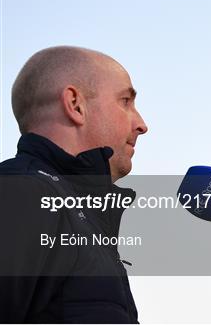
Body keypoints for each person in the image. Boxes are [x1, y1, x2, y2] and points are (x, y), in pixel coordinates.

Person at [0, 46, 148, 323]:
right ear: (75, 104)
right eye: (126, 101)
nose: (142, 124)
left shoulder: (76, 213)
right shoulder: (23, 192)